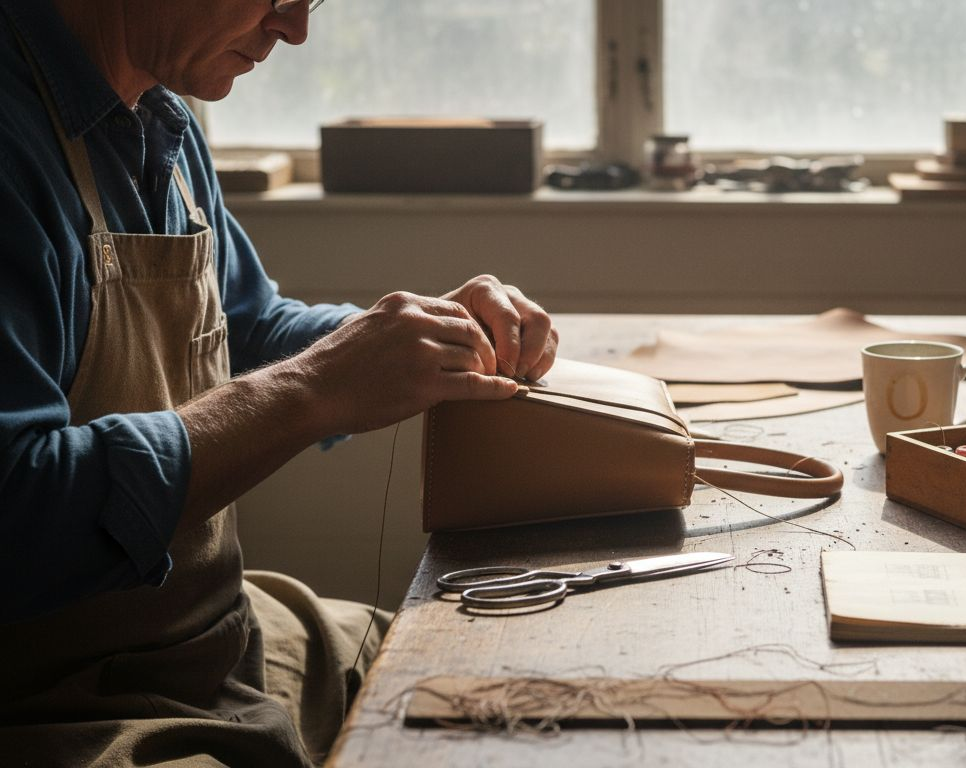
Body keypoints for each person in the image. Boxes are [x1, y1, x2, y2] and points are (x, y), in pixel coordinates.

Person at [0, 0, 559, 764]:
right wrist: (312, 390)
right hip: (55, 707)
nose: (295, 28)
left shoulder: (161, 117)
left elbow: (248, 331)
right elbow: (17, 508)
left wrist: (406, 337)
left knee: (497, 681)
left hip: (219, 640)